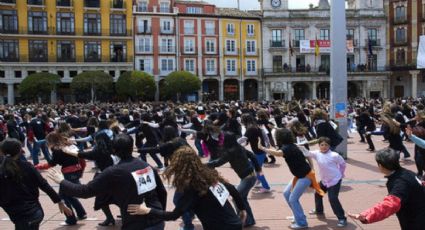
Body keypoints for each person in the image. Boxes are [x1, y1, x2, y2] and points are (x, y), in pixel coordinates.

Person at [48, 133, 167, 230]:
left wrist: (62, 181)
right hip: (156, 219)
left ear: (114, 150)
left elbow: (85, 191)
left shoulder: (113, 172)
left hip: (136, 224)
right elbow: (162, 192)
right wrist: (160, 213)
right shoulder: (146, 166)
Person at [127, 146, 247, 230]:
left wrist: (148, 210)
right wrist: (242, 209)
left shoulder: (192, 187)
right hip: (234, 223)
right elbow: (232, 189)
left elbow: (174, 215)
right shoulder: (208, 174)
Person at [0, 138, 72, 230]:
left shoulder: (4, 170)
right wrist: (60, 202)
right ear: (20, 151)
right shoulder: (27, 166)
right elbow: (44, 185)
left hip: (24, 216)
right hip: (35, 213)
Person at [259, 128, 324, 229]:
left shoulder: (287, 148)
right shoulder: (291, 145)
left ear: (279, 138)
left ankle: (302, 223)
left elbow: (278, 153)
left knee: (293, 199)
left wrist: (262, 148)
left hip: (305, 176)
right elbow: (307, 156)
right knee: (286, 193)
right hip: (300, 175)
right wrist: (312, 168)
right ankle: (298, 215)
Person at [349, 148, 425, 229]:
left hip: (416, 219)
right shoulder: (407, 173)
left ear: (380, 165)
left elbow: (390, 204)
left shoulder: (400, 183)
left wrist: (366, 216)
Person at [207, 132, 261, 227]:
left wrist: (204, 165)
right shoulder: (238, 147)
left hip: (247, 178)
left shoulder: (231, 151)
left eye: (223, 139)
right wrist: (258, 169)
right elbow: (251, 155)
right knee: (242, 199)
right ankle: (249, 220)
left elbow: (219, 162)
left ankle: (243, 220)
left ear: (228, 140)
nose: (222, 141)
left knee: (237, 198)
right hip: (250, 176)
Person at [62, 132, 116, 226]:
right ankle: (123, 215)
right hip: (116, 175)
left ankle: (110, 218)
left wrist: (67, 150)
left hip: (103, 176)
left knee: (101, 199)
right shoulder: (113, 147)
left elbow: (82, 155)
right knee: (118, 197)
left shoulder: (98, 151)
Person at [302, 137, 348, 227]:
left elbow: (343, 164)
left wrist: (341, 174)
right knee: (318, 194)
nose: (324, 147)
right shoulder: (316, 153)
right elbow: (306, 153)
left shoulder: (334, 155)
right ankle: (319, 210)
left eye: (326, 145)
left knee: (333, 199)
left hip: (335, 180)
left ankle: (342, 218)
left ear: (329, 146)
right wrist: (300, 147)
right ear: (319, 146)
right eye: (322, 145)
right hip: (324, 180)